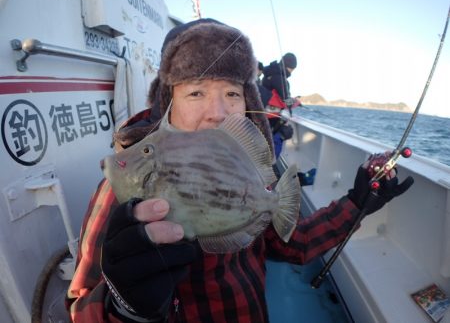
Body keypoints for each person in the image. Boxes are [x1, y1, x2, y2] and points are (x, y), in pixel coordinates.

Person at [66, 18, 414, 323]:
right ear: (166, 104)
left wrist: (356, 203)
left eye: (232, 93)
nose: (218, 111)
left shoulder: (245, 172)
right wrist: (125, 308)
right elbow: (80, 304)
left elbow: (292, 242)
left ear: (248, 103)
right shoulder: (124, 189)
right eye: (196, 92)